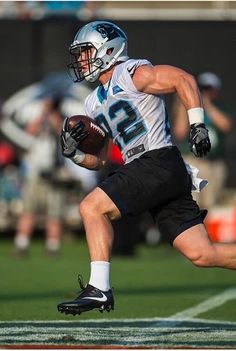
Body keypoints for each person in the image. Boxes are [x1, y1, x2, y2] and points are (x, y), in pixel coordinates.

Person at [57, 21, 236, 317]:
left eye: (86, 51)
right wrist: (74, 154)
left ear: (107, 48)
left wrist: (197, 125)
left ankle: (99, 288)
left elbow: (183, 79)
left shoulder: (131, 73)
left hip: (157, 160)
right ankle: (99, 289)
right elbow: (100, 159)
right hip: (153, 171)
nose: (81, 59)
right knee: (202, 253)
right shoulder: (92, 102)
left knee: (91, 207)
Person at [172, 72, 232, 208]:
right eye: (202, 89)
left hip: (213, 164)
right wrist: (185, 104)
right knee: (193, 205)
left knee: (212, 205)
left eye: (209, 89)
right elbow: (179, 133)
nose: (206, 93)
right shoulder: (186, 108)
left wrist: (206, 105)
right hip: (193, 162)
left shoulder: (221, 107)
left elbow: (226, 125)